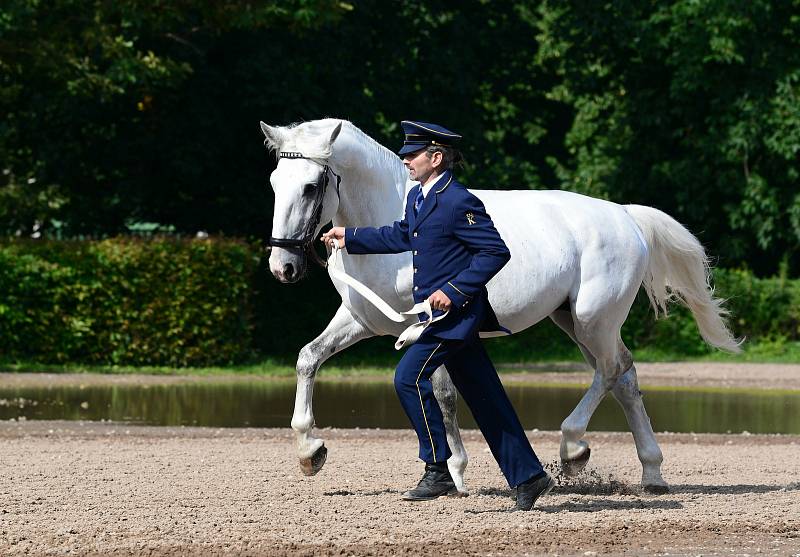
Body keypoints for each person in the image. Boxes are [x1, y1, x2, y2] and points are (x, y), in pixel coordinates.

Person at [321, 120, 553, 511]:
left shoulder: (458, 200)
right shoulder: (419, 198)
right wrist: (351, 237)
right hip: (437, 316)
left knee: (408, 377)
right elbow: (401, 235)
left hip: (456, 316)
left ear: (437, 157)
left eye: (412, 154)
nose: (405, 159)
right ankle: (529, 476)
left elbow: (495, 251)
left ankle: (438, 470)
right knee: (486, 397)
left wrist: (454, 290)